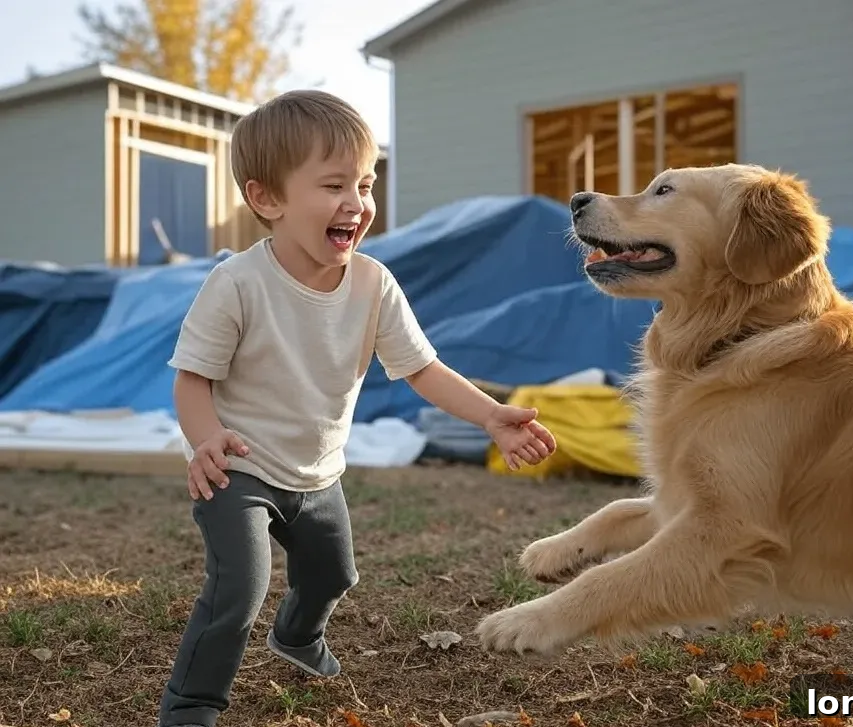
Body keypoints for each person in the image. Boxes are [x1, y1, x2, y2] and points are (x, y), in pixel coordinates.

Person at [156, 89, 557, 727]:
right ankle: (191, 705)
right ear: (268, 199)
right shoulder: (236, 283)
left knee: (334, 575)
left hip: (318, 473)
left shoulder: (373, 283)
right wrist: (205, 439)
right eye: (334, 184)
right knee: (239, 588)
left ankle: (295, 635)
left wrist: (489, 415)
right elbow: (191, 380)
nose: (357, 203)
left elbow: (422, 369)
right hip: (237, 466)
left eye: (366, 184)